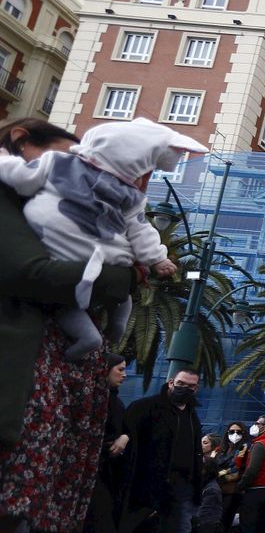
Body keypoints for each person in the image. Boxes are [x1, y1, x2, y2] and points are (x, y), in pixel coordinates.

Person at [0, 117, 138, 533]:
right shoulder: (13, 204)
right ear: (22, 148)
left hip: (36, 398)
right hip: (15, 397)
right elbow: (30, 271)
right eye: (65, 158)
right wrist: (115, 276)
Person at [0, 118, 193, 360]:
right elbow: (37, 273)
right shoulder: (14, 201)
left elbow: (138, 227)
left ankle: (107, 338)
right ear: (20, 142)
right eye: (71, 154)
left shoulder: (119, 196)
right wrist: (131, 276)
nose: (81, 165)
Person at [124, 370, 207, 533]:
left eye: (191, 386)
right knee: (122, 529)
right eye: (181, 383)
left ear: (196, 388)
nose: (185, 388)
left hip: (181, 487)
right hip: (145, 484)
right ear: (170, 382)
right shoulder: (145, 407)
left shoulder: (191, 414)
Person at [64, 356, 134, 533]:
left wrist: (125, 436)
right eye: (120, 369)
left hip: (94, 474)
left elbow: (122, 429)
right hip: (84, 474)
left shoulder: (111, 400)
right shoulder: (94, 398)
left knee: (93, 531)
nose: (124, 375)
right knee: (92, 530)